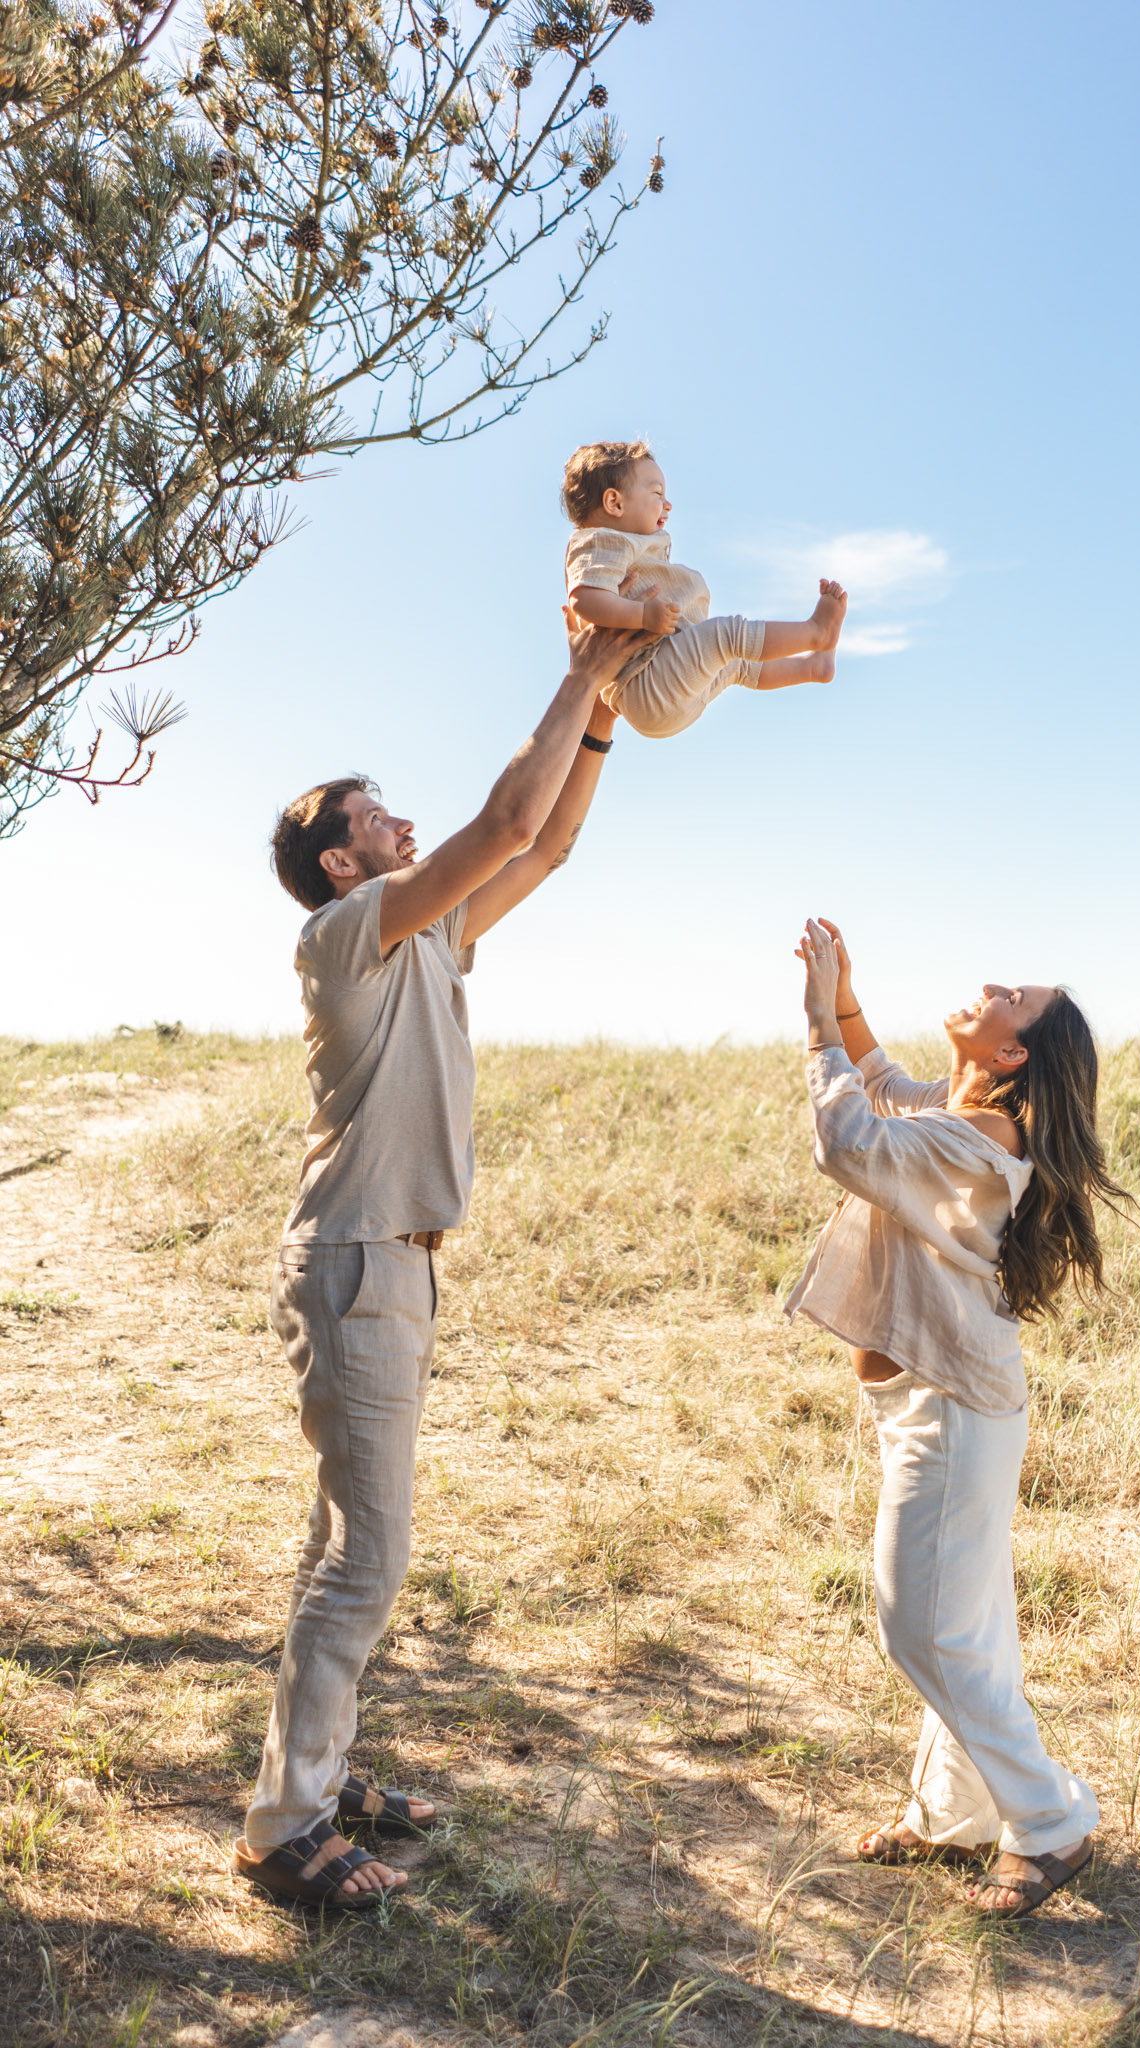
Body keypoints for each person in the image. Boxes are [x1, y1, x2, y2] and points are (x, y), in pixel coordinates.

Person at [232, 611, 643, 1910]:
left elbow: (551, 838)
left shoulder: (424, 942)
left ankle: (322, 1768)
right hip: (357, 1260)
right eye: (381, 815)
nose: (404, 824)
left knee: (335, 1547)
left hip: (387, 1263)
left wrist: (606, 711)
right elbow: (504, 827)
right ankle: (285, 1828)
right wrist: (582, 664)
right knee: (366, 1560)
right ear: (342, 858)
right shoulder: (345, 935)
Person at [787, 917, 1130, 1921]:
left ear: (1014, 1051)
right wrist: (846, 995)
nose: (991, 985)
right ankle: (955, 1814)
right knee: (965, 1623)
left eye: (1011, 998)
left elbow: (849, 1137)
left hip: (954, 1409)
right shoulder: (967, 1109)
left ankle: (1049, 1820)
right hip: (934, 1402)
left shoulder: (983, 1139)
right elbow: (886, 1084)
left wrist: (816, 1017)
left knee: (921, 1627)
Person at [561, 439, 848, 738]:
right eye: (657, 493)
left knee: (737, 664)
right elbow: (585, 598)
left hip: (665, 689)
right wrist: (643, 616)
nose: (668, 504)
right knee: (729, 635)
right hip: (649, 683)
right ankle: (816, 632)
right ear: (614, 503)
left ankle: (814, 666)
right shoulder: (597, 540)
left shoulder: (629, 543)